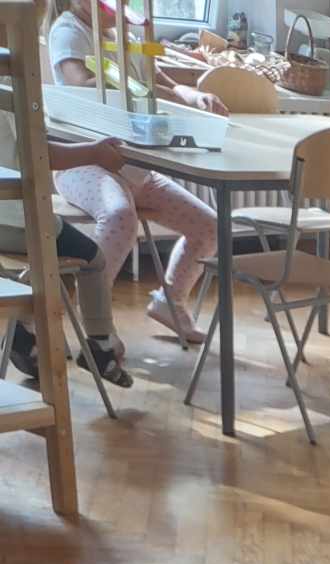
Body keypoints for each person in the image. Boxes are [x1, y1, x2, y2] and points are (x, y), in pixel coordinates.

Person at [47, 0, 222, 344]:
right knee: (119, 217)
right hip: (83, 163)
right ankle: (94, 319)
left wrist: (188, 93)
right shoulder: (69, 30)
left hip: (133, 168)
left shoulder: (121, 33)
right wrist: (128, 81)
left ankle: (170, 302)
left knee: (208, 227)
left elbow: (153, 79)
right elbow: (79, 82)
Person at [0, 113, 132, 385]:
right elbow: (40, 153)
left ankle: (22, 331)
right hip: (15, 219)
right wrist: (94, 152)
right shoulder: (11, 93)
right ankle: (101, 344)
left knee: (29, 269)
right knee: (93, 259)